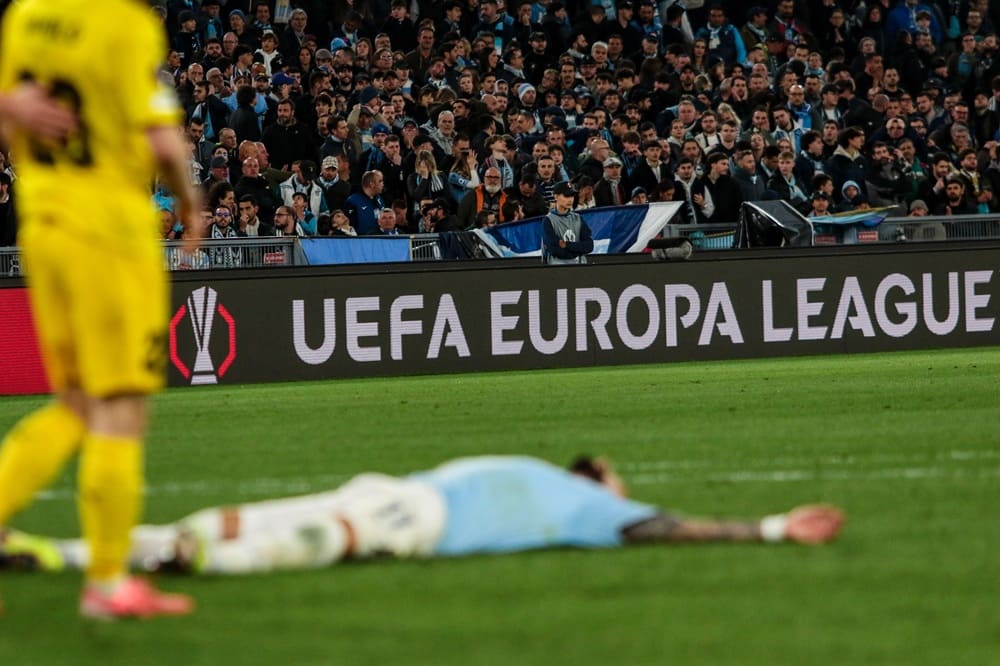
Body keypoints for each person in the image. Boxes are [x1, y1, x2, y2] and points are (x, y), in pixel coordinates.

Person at [0, 0, 201, 619]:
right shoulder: (127, 25)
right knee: (118, 407)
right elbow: (161, 137)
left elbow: (11, 122)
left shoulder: (26, 17)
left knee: (78, 404)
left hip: (43, 227)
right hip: (109, 233)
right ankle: (108, 585)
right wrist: (191, 203)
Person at [0, 455, 845, 576]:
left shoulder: (582, 506)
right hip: (408, 505)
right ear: (603, 478)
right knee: (281, 530)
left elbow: (663, 531)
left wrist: (769, 529)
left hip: (399, 498)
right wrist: (767, 528)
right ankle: (64, 554)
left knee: (233, 521)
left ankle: (56, 555)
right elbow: (666, 529)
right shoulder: (591, 503)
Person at [542, 182, 593, 265]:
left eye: (572, 196)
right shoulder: (548, 220)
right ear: (556, 196)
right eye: (566, 196)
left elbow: (589, 246)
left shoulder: (578, 218)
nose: (570, 199)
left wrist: (566, 245)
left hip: (580, 269)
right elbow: (554, 250)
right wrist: (578, 250)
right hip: (557, 270)